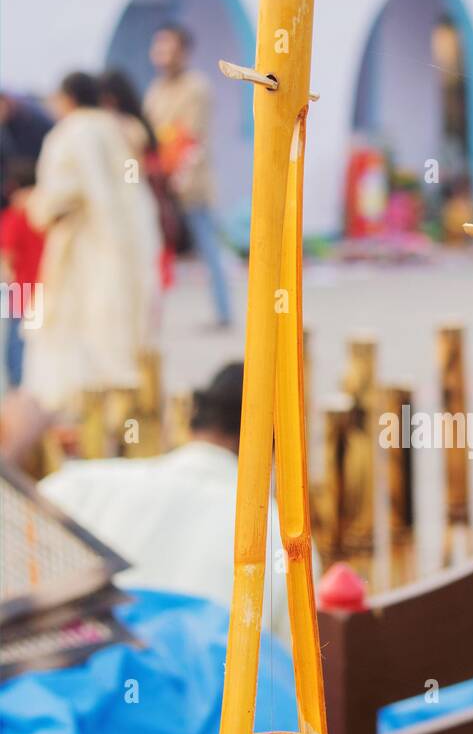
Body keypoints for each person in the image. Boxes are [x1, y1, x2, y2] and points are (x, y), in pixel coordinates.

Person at [39, 363, 311, 650]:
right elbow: (289, 673)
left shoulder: (76, 486)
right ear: (282, 440)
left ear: (194, 420)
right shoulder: (282, 536)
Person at [23, 72, 161, 412]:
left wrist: (35, 204)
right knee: (119, 334)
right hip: (127, 246)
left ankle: (81, 421)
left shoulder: (69, 134)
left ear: (67, 98)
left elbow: (59, 196)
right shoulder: (121, 128)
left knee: (72, 339)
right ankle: (124, 417)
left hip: (81, 252)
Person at [144, 24, 231, 326]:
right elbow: (153, 136)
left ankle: (223, 313)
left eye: (167, 48)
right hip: (161, 186)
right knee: (154, 252)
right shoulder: (156, 90)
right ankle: (151, 315)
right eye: (158, 48)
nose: (161, 55)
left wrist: (176, 174)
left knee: (208, 249)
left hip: (191, 184)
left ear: (183, 52)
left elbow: (190, 138)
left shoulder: (196, 87)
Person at [100, 69, 185, 288]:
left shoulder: (127, 127)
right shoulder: (134, 123)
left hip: (136, 204)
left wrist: (125, 186)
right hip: (142, 202)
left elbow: (131, 167)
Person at [0, 158, 44, 386]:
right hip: (45, 288)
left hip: (21, 287)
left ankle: (18, 385)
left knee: (16, 341)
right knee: (37, 341)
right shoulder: (45, 213)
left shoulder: (14, 217)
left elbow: (7, 256)